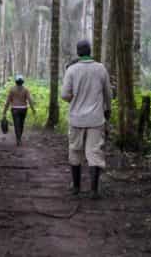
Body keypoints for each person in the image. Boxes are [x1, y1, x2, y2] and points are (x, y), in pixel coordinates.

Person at [61, 39, 111, 199]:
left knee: (75, 150)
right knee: (94, 152)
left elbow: (64, 95)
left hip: (76, 118)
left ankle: (76, 187)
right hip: (96, 118)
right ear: (90, 51)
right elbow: (108, 93)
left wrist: (73, 99)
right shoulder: (100, 69)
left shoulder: (72, 70)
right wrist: (107, 109)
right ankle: (94, 190)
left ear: (78, 52)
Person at [2, 75, 35, 145]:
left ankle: (18, 138)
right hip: (23, 109)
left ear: (16, 82)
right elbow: (30, 100)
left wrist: (4, 111)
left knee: (16, 124)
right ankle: (19, 138)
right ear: (22, 82)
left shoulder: (12, 90)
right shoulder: (26, 90)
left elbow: (8, 101)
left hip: (14, 109)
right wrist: (33, 109)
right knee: (21, 124)